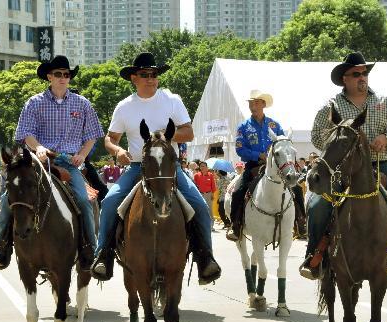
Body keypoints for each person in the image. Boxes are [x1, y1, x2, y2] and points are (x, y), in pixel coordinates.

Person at [90, 52, 221, 285]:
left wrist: (162, 134)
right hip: (138, 167)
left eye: (154, 74)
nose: (151, 78)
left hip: (170, 169)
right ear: (134, 78)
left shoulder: (172, 100)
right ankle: (104, 255)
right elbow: (110, 139)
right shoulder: (124, 107)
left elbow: (189, 133)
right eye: (145, 74)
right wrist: (117, 151)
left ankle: (205, 258)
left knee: (200, 206)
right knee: (110, 202)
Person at [300, 51, 387, 279]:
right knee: (316, 206)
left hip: (379, 164)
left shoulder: (384, 102)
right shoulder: (330, 106)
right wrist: (338, 142)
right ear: (345, 78)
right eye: (356, 74)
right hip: (342, 169)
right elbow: (316, 136)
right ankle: (315, 257)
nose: (362, 77)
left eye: (365, 73)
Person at [0, 55, 103, 270]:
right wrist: (38, 147)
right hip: (37, 161)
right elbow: (25, 133)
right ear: (49, 77)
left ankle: (90, 249)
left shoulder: (83, 104)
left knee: (85, 201)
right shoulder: (34, 103)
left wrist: (82, 154)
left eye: (66, 74)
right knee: (6, 199)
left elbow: (92, 136)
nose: (62, 78)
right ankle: (2, 246)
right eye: (58, 74)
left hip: (69, 162)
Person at [226, 89, 284, 241]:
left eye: (257, 102)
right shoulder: (243, 127)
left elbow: (282, 142)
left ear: (264, 104)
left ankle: (299, 221)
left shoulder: (275, 125)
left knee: (295, 188)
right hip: (253, 166)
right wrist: (259, 155)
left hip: (274, 166)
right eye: (251, 103)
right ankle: (236, 225)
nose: (253, 105)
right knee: (238, 192)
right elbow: (240, 149)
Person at [194, 161, 217, 230]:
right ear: (199, 167)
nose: (202, 167)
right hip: (199, 194)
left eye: (204, 166)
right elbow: (194, 186)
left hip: (208, 194)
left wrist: (212, 194)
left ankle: (211, 225)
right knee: (200, 209)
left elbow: (213, 186)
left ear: (207, 167)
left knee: (209, 209)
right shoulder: (196, 175)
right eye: (201, 166)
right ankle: (200, 225)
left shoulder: (210, 175)